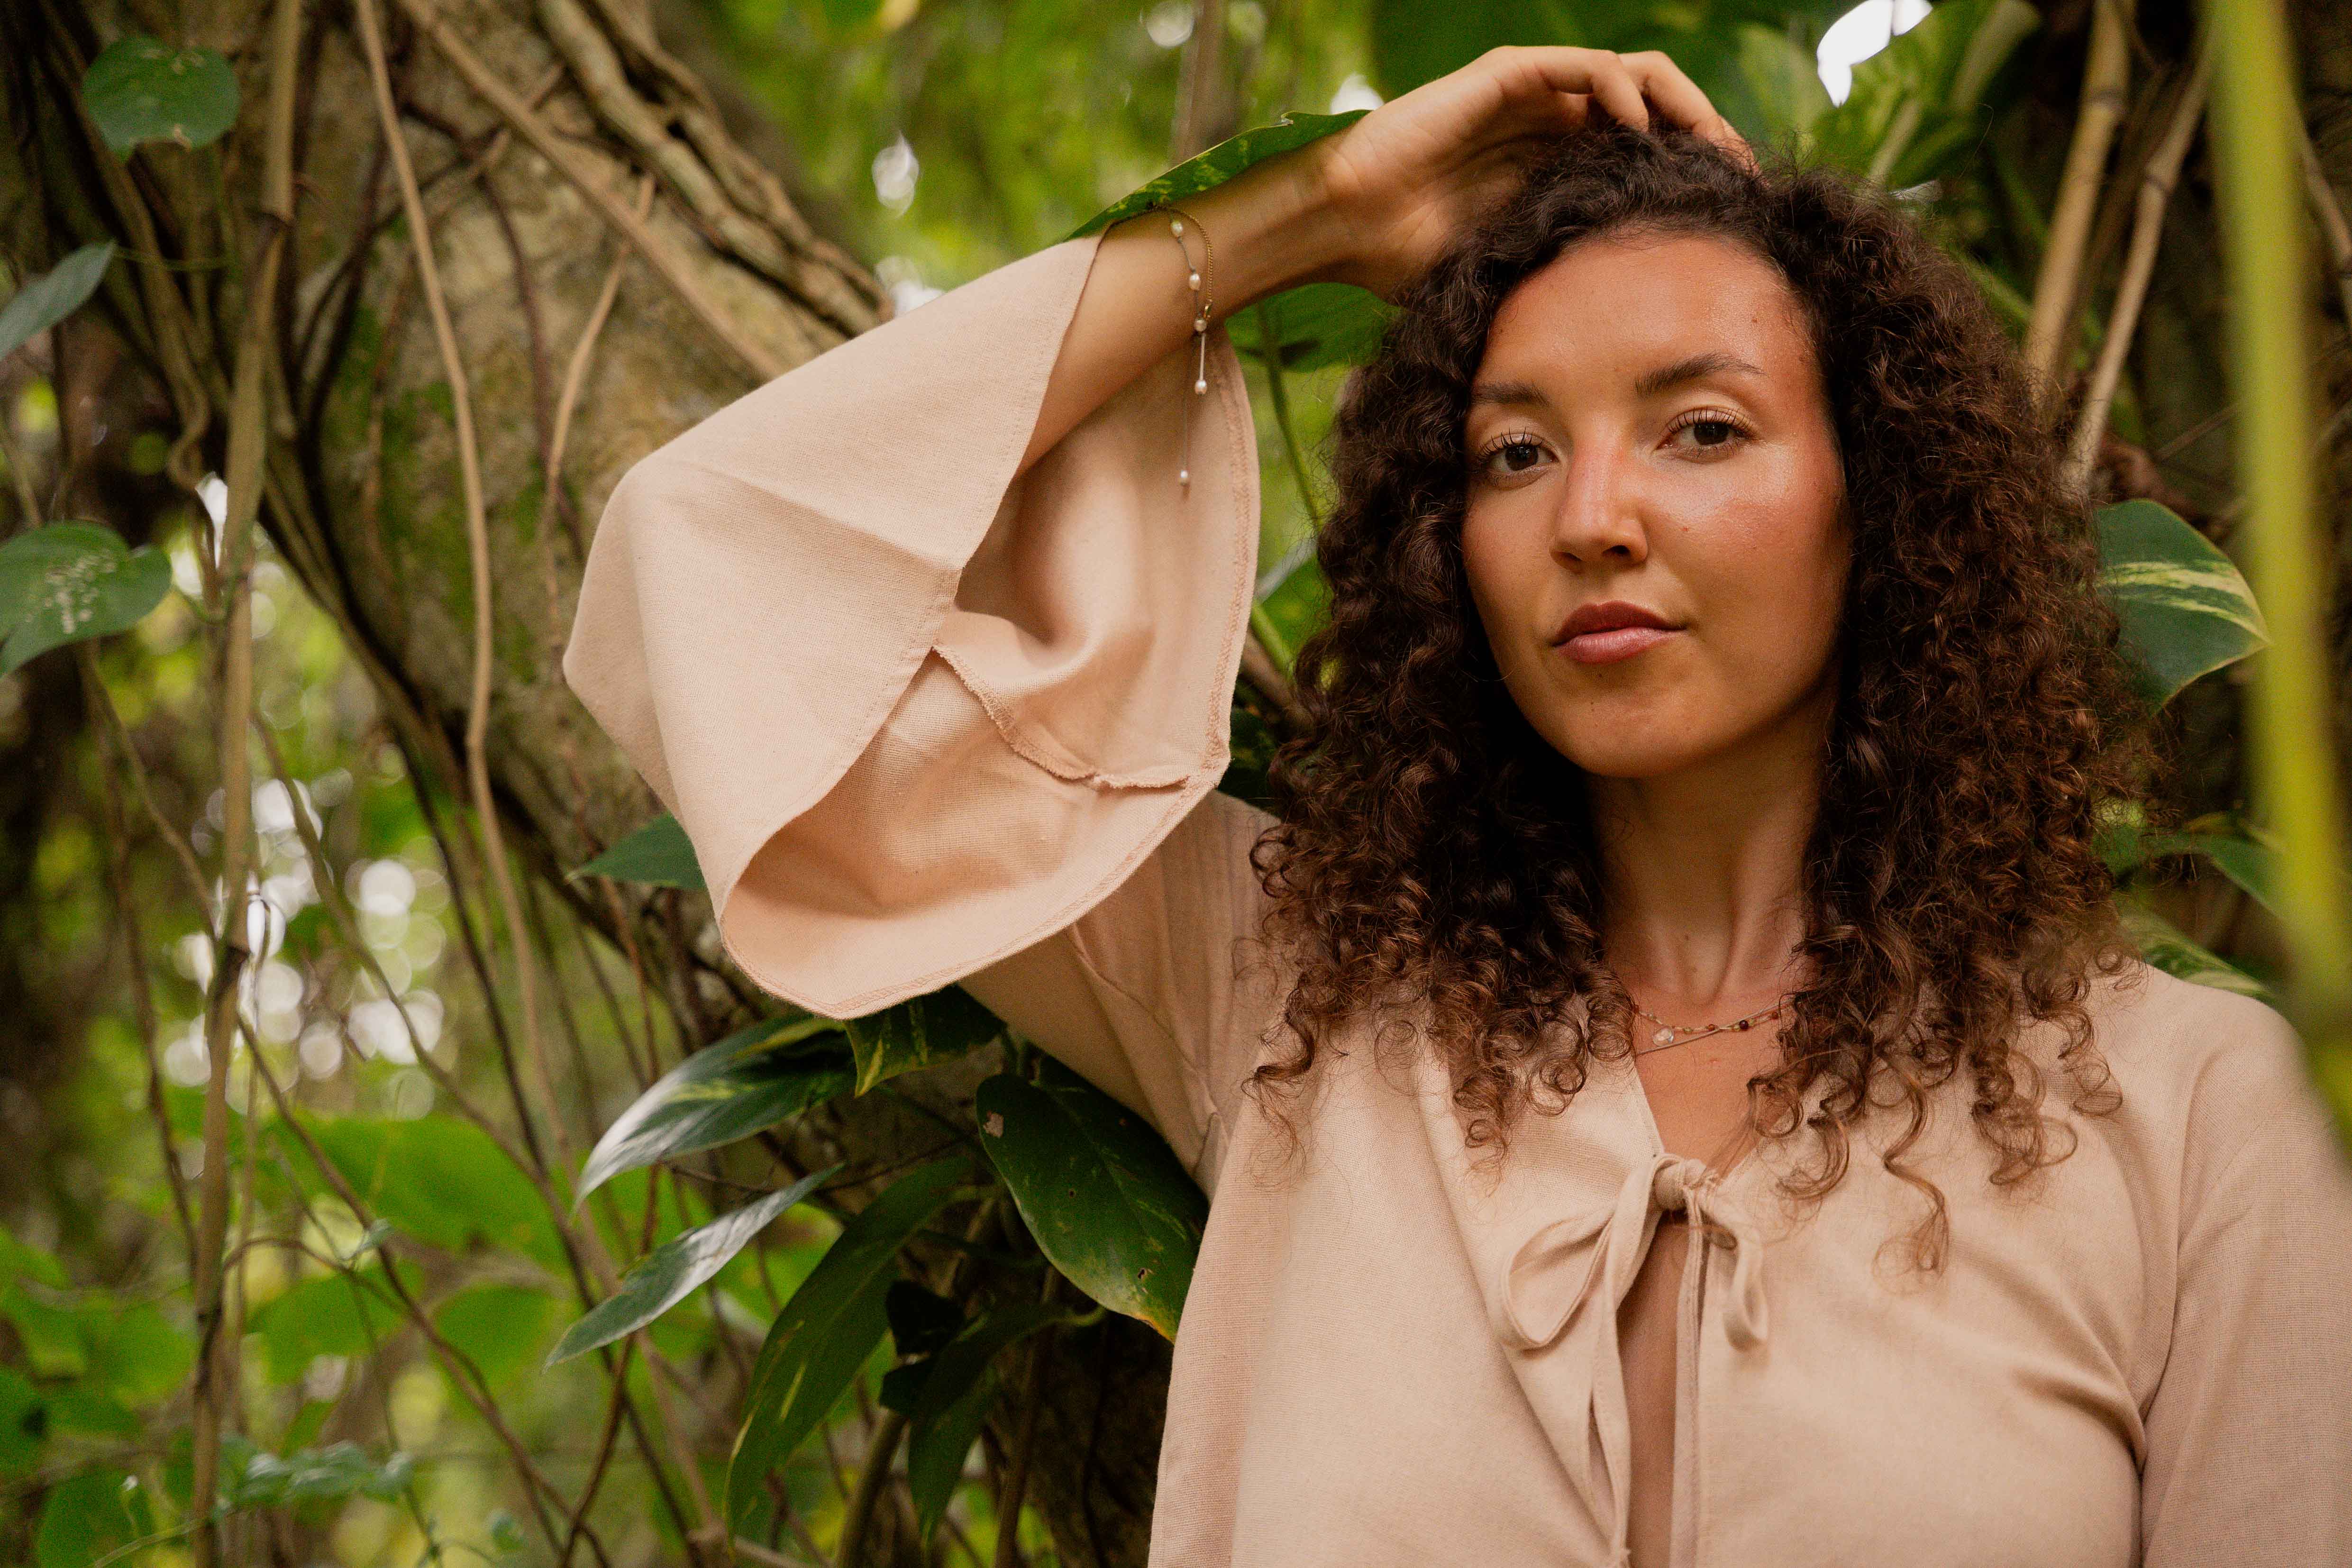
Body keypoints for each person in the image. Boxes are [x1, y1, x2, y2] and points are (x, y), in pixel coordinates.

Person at [560, 46, 2352, 1568]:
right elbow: (703, 566)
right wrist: (1312, 216)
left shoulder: (2191, 1118)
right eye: (1513, 451)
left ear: (1877, 503)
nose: (1591, 515)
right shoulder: (1286, 991)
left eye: (1700, 429)